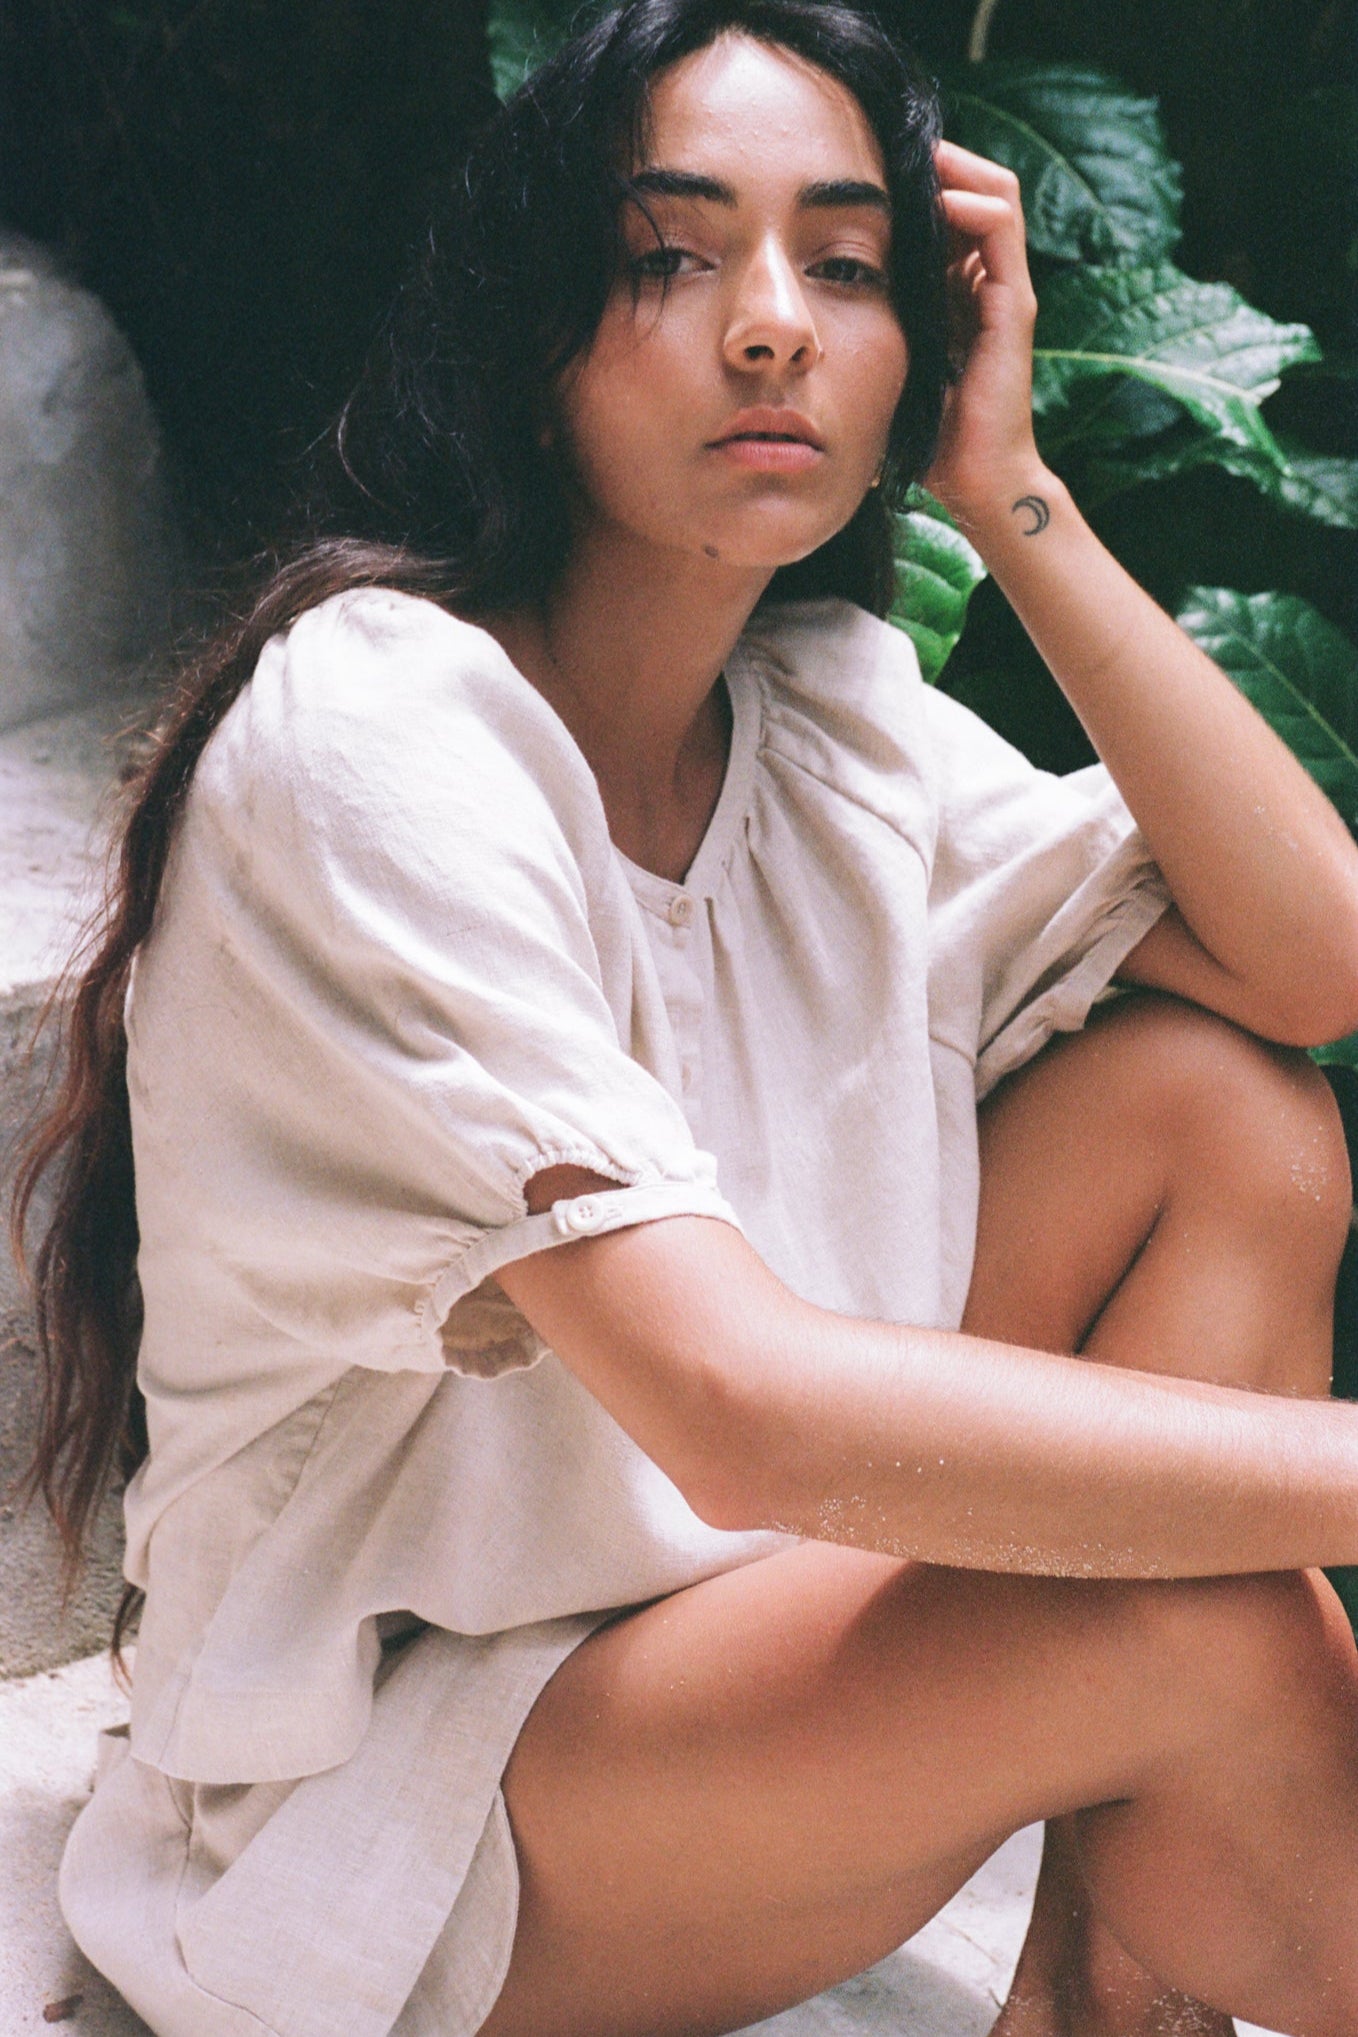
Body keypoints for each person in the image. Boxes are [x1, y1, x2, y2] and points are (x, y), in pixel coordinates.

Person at [16, 0, 1358, 2030]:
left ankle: (1097, 1992)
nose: (766, 325)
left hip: (749, 1671)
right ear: (526, 327)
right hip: (408, 1824)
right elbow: (742, 1410)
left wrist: (1010, 494)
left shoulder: (827, 727)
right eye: (667, 255)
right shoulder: (375, 720)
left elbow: (1306, 966)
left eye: (844, 263)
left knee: (1221, 1113)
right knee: (1203, 1625)